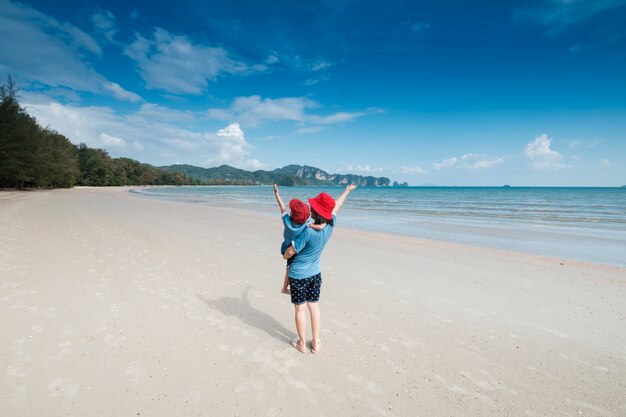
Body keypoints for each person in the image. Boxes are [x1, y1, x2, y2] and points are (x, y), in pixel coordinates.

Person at [283, 184, 357, 354]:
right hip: (315, 274)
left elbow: (290, 252)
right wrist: (346, 191)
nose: (310, 207)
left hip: (299, 275)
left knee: (300, 308)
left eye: (313, 207)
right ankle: (315, 343)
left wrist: (285, 255)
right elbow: (336, 205)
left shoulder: (307, 232)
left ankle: (302, 343)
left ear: (315, 213)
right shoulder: (331, 225)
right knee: (314, 307)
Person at [273, 184, 325, 295]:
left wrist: (277, 194)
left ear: (292, 213)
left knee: (288, 268)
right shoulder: (307, 224)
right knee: (292, 268)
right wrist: (321, 226)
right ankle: (287, 288)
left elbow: (282, 207)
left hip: (285, 248)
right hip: (296, 249)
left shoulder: (287, 221)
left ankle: (284, 288)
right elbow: (316, 226)